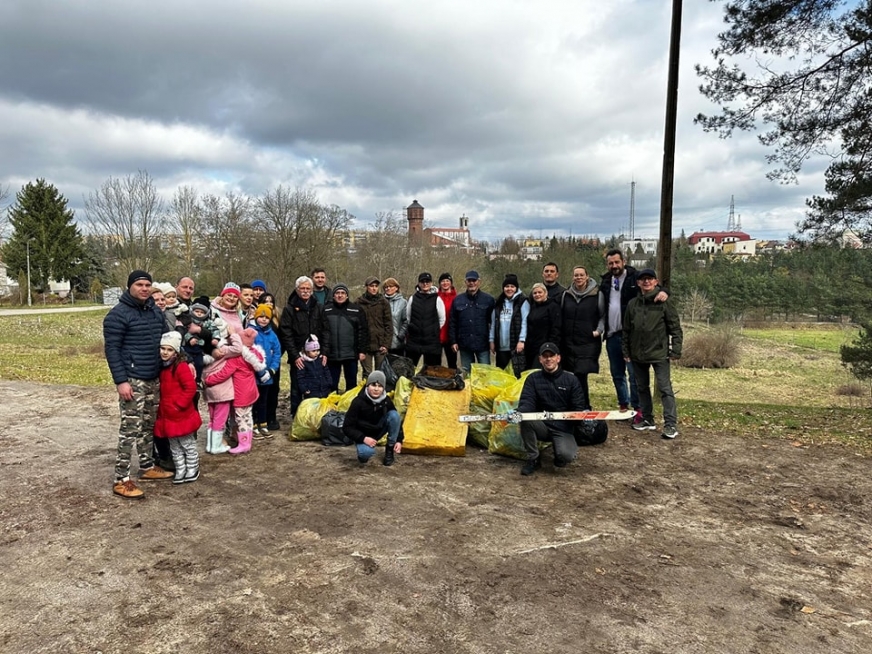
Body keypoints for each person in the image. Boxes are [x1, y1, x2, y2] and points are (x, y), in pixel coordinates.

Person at [103, 270, 173, 499]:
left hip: (153, 376)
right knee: (130, 429)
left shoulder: (154, 311)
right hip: (133, 380)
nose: (144, 288)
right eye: (140, 284)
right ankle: (121, 479)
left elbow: (165, 340)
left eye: (147, 285)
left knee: (147, 426)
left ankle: (146, 466)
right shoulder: (118, 315)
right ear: (130, 287)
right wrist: (121, 381)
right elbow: (112, 350)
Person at [601, 249, 667, 418]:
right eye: (611, 263)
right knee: (617, 374)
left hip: (630, 336)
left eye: (617, 262)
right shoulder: (606, 281)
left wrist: (665, 292)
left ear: (624, 261)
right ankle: (623, 406)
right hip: (612, 335)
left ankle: (638, 409)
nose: (614, 266)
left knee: (634, 375)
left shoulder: (634, 278)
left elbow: (655, 287)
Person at [622, 268, 683, 439]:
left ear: (656, 282)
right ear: (638, 283)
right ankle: (648, 419)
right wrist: (626, 351)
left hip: (660, 354)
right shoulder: (633, 304)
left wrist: (676, 350)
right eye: (643, 279)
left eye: (650, 279)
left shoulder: (664, 302)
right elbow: (626, 330)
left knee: (665, 389)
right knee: (641, 388)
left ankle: (670, 424)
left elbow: (675, 328)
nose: (646, 282)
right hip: (637, 354)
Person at [516, 342, 586, 476]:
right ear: (540, 359)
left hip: (563, 427)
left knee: (566, 456)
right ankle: (533, 458)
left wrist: (578, 417)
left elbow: (578, 407)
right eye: (545, 356)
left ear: (558, 358)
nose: (548, 359)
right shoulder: (533, 379)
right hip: (542, 425)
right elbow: (527, 402)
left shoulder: (571, 380)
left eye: (551, 356)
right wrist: (519, 412)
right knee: (525, 419)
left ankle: (559, 451)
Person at [204, 327, 266, 455]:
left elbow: (224, 373)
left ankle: (243, 444)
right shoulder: (254, 353)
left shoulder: (237, 358)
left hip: (240, 392)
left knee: (241, 418)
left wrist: (209, 380)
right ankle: (247, 441)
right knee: (247, 416)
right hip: (251, 390)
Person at [154, 331, 202, 484]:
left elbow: (190, 387)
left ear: (176, 352)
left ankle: (192, 467)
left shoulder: (180, 367)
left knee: (187, 444)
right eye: (163, 349)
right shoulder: (163, 368)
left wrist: (179, 404)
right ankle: (180, 468)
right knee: (174, 445)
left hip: (181, 414)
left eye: (169, 350)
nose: (165, 353)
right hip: (168, 415)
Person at [279, 276, 330, 417]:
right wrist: (294, 355)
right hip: (299, 356)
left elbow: (326, 330)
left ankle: (317, 416)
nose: (305, 291)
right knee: (297, 387)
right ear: (297, 290)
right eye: (303, 288)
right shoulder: (289, 309)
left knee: (317, 385)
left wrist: (324, 352)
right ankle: (296, 416)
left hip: (317, 355)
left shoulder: (319, 308)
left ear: (312, 291)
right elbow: (286, 333)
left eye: (308, 288)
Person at [559, 266, 604, 411]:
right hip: (568, 342)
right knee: (567, 375)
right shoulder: (566, 294)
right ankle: (569, 405)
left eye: (581, 275)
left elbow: (603, 315)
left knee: (581, 375)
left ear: (587, 276)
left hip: (587, 342)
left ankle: (584, 406)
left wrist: (598, 331)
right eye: (576, 275)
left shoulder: (597, 294)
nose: (578, 278)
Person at [343, 370, 404, 466]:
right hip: (363, 434)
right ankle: (363, 453)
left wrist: (399, 440)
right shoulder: (358, 402)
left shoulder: (386, 401)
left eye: (380, 386)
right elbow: (347, 427)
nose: (376, 389)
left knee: (394, 415)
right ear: (367, 386)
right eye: (373, 385)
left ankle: (389, 450)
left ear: (383, 388)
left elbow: (396, 421)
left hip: (378, 430)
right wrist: (363, 438)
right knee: (365, 454)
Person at [323, 283, 368, 393]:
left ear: (347, 295)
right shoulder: (326, 310)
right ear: (333, 295)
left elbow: (363, 331)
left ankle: (350, 407)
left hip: (351, 355)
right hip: (332, 355)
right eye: (337, 293)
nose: (340, 295)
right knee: (332, 384)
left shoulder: (356, 310)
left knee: (351, 384)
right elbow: (322, 331)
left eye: (343, 293)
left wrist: (362, 350)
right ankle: (332, 407)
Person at [450, 270, 495, 373]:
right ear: (465, 282)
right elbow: (453, 322)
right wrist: (453, 341)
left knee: (485, 374)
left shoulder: (488, 300)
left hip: (482, 344)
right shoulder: (457, 300)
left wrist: (493, 341)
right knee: (466, 375)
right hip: (465, 344)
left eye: (474, 280)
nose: (471, 283)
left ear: (479, 282)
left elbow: (493, 323)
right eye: (469, 280)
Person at [251, 304, 281, 439]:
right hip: (254, 374)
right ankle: (253, 424)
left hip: (267, 375)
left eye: (266, 317)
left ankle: (263, 424)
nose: (263, 320)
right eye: (261, 317)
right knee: (254, 401)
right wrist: (259, 370)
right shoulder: (251, 332)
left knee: (264, 400)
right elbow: (249, 351)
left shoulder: (272, 335)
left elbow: (277, 353)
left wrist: (272, 370)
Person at [490, 273, 529, 377]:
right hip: (501, 346)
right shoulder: (498, 302)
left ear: (516, 288)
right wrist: (491, 340)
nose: (509, 289)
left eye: (512, 286)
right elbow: (494, 323)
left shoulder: (522, 301)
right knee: (502, 375)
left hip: (516, 346)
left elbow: (525, 322)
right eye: (507, 286)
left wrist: (522, 340)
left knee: (517, 374)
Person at [405, 272, 445, 368]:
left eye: (427, 282)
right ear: (419, 284)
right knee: (408, 370)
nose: (425, 284)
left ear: (431, 283)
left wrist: (432, 330)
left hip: (432, 342)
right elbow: (408, 317)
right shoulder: (412, 298)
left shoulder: (437, 299)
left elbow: (442, 319)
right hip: (414, 341)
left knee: (432, 372)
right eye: (422, 282)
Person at [357, 276, 393, 376]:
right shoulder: (359, 302)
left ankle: (379, 391)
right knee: (367, 373)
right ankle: (365, 391)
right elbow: (356, 325)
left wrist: (386, 344)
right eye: (371, 286)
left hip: (380, 343)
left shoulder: (383, 302)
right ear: (366, 287)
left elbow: (388, 325)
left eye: (376, 286)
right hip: (365, 344)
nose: (374, 288)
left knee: (380, 373)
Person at [259, 292, 283, 431]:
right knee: (261, 391)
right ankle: (260, 418)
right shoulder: (257, 320)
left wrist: (277, 356)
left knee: (274, 390)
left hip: (275, 361)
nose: (268, 303)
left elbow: (281, 341)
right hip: (260, 361)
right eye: (265, 300)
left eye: (271, 301)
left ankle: (271, 417)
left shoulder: (276, 321)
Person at [524, 282, 561, 370]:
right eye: (535, 293)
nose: (537, 295)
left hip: (545, 347)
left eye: (540, 292)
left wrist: (551, 347)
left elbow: (556, 328)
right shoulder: (532, 307)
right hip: (531, 347)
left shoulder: (553, 306)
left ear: (545, 293)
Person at [297, 336, 333, 401]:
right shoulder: (303, 363)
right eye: (313, 351)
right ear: (307, 351)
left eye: (318, 350)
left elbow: (327, 372)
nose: (316, 352)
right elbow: (301, 377)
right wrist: (304, 389)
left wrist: (329, 382)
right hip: (311, 391)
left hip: (324, 389)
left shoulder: (321, 359)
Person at [383, 277, 408, 357]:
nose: (388, 288)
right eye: (386, 287)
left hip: (398, 342)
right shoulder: (381, 302)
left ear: (396, 288)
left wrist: (400, 335)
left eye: (390, 286)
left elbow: (406, 320)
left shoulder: (403, 302)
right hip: (383, 342)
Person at [437, 272, 458, 369]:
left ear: (451, 283)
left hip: (451, 336)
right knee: (435, 364)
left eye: (447, 281)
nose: (445, 283)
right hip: (437, 335)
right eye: (442, 281)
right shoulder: (435, 297)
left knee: (452, 364)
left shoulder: (457, 298)